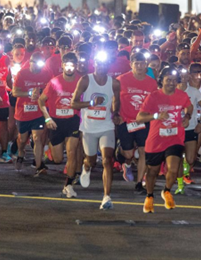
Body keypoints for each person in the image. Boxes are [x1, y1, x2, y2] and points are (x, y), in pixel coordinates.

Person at [136, 67, 193, 213]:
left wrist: (187, 117)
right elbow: (140, 117)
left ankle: (167, 191)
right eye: (168, 80)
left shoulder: (182, 95)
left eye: (174, 81)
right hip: (156, 140)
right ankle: (149, 196)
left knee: (173, 169)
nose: (172, 83)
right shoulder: (154, 96)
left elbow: (189, 107)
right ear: (162, 81)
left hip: (175, 138)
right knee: (152, 172)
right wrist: (156, 116)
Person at [72, 50, 120, 211]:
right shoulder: (86, 80)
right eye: (99, 64)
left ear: (108, 66)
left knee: (107, 160)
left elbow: (116, 102)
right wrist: (91, 103)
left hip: (106, 126)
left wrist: (116, 114)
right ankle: (86, 168)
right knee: (91, 160)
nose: (102, 67)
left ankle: (107, 196)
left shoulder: (114, 83)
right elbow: (74, 103)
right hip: (89, 128)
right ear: (95, 64)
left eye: (105, 64)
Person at [39, 52, 82, 198]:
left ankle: (68, 184)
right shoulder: (54, 82)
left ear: (76, 66)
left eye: (72, 65)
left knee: (71, 153)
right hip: (56, 122)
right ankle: (50, 151)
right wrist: (47, 119)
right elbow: (41, 100)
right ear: (62, 65)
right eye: (67, 65)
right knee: (57, 159)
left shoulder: (81, 81)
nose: (69, 68)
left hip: (73, 120)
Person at [115, 52, 158, 192]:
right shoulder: (121, 80)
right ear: (131, 64)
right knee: (128, 154)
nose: (139, 66)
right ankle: (124, 160)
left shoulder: (151, 83)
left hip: (143, 122)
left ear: (146, 65)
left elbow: (154, 102)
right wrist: (115, 114)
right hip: (125, 120)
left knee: (143, 151)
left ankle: (139, 182)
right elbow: (113, 99)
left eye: (142, 64)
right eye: (136, 64)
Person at [12, 52, 53, 175]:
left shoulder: (47, 73)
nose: (37, 67)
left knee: (37, 138)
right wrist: (29, 94)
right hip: (23, 112)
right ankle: (21, 152)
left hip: (38, 112)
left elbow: (52, 88)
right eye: (35, 63)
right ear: (30, 62)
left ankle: (39, 165)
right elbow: (15, 92)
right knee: (23, 139)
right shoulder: (22, 74)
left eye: (40, 64)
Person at [175, 65, 201, 194]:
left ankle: (186, 169)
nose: (182, 78)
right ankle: (180, 184)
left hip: (191, 127)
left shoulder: (193, 91)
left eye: (184, 76)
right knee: (177, 158)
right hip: (174, 130)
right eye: (180, 76)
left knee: (191, 159)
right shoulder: (169, 90)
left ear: (188, 76)